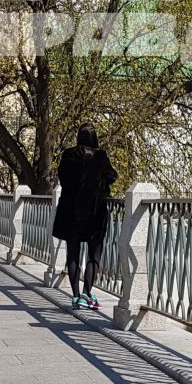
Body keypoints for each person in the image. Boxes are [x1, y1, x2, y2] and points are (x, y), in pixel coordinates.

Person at [51, 124, 117, 310]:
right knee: (93, 255)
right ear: (95, 137)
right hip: (93, 213)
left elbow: (63, 178)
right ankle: (88, 292)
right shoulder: (100, 156)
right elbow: (112, 176)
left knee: (72, 254)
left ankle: (75, 296)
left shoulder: (68, 155)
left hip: (70, 212)